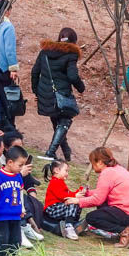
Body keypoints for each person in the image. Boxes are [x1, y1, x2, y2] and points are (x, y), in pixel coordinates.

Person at [63, 147, 129, 247]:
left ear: (100, 162)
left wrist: (77, 201)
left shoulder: (106, 173)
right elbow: (102, 193)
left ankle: (125, 232)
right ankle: (123, 230)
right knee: (103, 206)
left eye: (92, 163)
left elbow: (98, 200)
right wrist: (87, 193)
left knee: (92, 218)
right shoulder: (117, 169)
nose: (92, 166)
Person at [31, 28, 85, 161]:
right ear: (74, 41)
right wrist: (81, 87)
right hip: (61, 94)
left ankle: (66, 152)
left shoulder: (45, 51)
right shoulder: (71, 54)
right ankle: (50, 152)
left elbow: (34, 72)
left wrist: (36, 91)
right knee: (65, 119)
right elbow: (73, 76)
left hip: (45, 94)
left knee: (57, 121)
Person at [0, 146, 28, 256]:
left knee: (16, 240)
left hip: (15, 215)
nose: (22, 168)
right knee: (2, 240)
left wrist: (22, 208)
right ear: (10, 162)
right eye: (20, 165)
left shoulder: (18, 177)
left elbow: (20, 193)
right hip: (2, 215)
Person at [40, 160, 81, 240]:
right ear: (57, 170)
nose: (67, 173)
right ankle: (68, 226)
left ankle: (73, 222)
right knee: (72, 202)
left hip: (59, 207)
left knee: (78, 202)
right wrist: (75, 195)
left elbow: (68, 193)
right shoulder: (54, 182)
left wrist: (78, 192)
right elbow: (63, 196)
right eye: (66, 171)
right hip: (52, 209)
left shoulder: (60, 182)